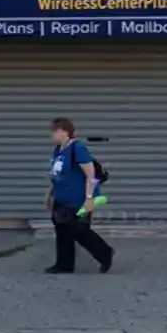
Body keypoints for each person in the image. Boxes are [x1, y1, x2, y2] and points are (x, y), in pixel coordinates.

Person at [45, 117, 114, 274]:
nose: (51, 134)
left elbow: (91, 176)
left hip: (79, 200)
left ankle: (105, 253)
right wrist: (49, 194)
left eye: (54, 131)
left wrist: (89, 199)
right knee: (62, 231)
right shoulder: (58, 149)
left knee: (79, 230)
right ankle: (64, 265)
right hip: (62, 199)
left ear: (63, 131)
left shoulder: (78, 148)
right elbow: (56, 174)